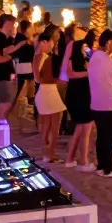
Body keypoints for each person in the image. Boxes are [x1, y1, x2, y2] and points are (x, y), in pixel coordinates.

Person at [89, 30, 112, 178]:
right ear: (109, 43)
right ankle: (107, 168)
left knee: (102, 136)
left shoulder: (95, 57)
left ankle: (101, 166)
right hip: (109, 104)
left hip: (96, 103)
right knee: (111, 136)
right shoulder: (106, 60)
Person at [63, 28, 97, 170]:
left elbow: (71, 72)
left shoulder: (83, 50)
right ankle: (83, 161)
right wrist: (89, 73)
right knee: (86, 127)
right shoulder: (77, 47)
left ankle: (70, 159)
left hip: (80, 91)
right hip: (80, 92)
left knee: (80, 127)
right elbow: (70, 73)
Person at [33, 25, 67, 163]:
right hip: (49, 91)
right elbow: (38, 77)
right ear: (43, 43)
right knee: (55, 125)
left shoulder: (38, 56)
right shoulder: (43, 56)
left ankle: (46, 152)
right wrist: (55, 81)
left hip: (44, 91)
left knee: (46, 124)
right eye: (50, 43)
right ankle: (50, 154)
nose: (52, 46)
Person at [0, 14, 26, 120]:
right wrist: (10, 55)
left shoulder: (5, 39)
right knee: (5, 104)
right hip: (0, 77)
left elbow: (8, 51)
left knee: (6, 104)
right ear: (7, 24)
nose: (14, 27)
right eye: (13, 24)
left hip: (5, 77)